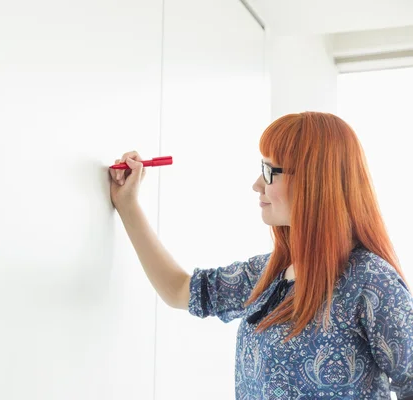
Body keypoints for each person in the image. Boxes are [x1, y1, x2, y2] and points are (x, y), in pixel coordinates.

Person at [109, 112, 413, 400]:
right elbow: (178, 290)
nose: (257, 184)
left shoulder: (373, 284)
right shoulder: (269, 273)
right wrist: (128, 204)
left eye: (269, 171)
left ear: (314, 181)